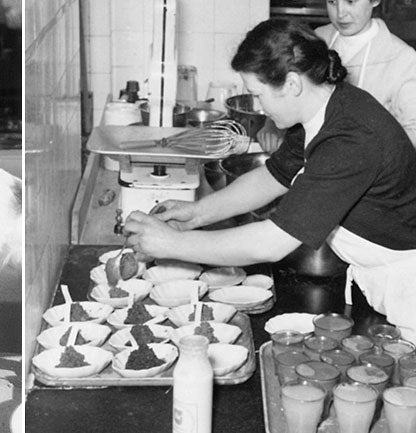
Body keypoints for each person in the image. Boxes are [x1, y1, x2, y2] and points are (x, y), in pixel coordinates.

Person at [124, 19, 416, 343]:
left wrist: (172, 243)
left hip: (408, 286)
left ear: (291, 84)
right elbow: (273, 177)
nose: (259, 107)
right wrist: (197, 213)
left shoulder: (349, 138)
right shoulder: (322, 110)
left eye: (258, 95)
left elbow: (273, 242)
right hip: (377, 276)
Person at [256, 0, 416, 152]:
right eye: (332, 1)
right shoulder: (317, 39)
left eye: (350, 1)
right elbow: (289, 90)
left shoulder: (403, 60)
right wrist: (272, 125)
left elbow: (412, 137)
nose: (340, 13)